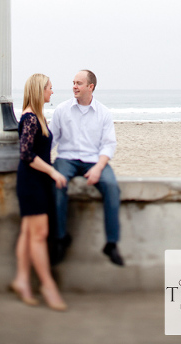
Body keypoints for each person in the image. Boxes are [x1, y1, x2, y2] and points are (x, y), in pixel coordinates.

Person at [50, 69, 124, 266]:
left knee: (111, 186)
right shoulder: (62, 110)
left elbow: (109, 144)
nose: (74, 86)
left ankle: (111, 243)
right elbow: (51, 139)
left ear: (90, 87)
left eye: (79, 83)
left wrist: (99, 168)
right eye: (73, 82)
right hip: (66, 158)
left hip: (94, 160)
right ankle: (59, 238)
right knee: (57, 184)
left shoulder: (104, 113)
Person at [11, 73, 68, 311]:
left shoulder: (34, 116)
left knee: (27, 233)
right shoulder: (31, 118)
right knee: (38, 234)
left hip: (35, 181)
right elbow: (26, 155)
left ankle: (22, 280)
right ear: (39, 90)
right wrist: (54, 172)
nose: (52, 92)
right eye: (50, 88)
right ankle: (47, 285)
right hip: (32, 183)